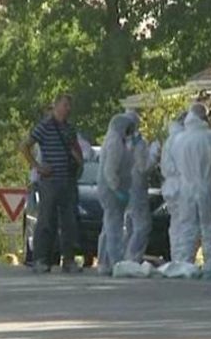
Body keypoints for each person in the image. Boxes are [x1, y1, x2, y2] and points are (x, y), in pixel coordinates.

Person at [20, 94, 83, 273]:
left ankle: (68, 259)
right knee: (46, 220)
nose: (67, 109)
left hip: (67, 180)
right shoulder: (44, 127)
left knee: (69, 221)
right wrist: (37, 166)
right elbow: (25, 146)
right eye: (64, 105)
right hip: (49, 181)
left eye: (69, 106)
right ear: (55, 107)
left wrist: (79, 163)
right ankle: (41, 259)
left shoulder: (69, 129)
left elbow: (75, 148)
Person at [174, 103, 211, 278]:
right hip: (205, 186)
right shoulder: (210, 136)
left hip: (186, 188)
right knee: (209, 226)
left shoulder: (180, 139)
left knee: (187, 226)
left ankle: (185, 264)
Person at [96, 114, 135, 275]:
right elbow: (110, 170)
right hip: (112, 191)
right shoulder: (115, 143)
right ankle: (115, 262)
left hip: (110, 190)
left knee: (108, 226)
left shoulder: (114, 140)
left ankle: (104, 262)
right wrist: (117, 189)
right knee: (114, 228)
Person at [124, 112, 160, 263]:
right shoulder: (138, 143)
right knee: (142, 225)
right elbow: (143, 167)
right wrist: (154, 152)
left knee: (130, 224)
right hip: (137, 187)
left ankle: (124, 256)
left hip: (125, 187)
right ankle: (132, 258)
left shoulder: (120, 141)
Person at [160, 113, 186, 262]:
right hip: (180, 186)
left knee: (175, 224)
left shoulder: (170, 140)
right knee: (184, 224)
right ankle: (182, 258)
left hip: (170, 186)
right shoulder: (181, 140)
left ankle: (177, 256)